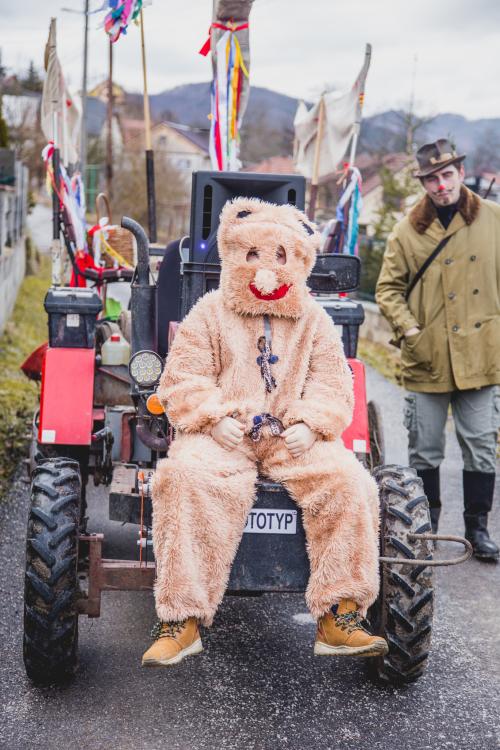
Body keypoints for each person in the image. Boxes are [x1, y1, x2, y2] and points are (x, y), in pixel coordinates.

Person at [142, 197, 388, 667]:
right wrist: (213, 418)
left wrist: (313, 426)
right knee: (183, 477)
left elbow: (333, 384)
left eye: (281, 257)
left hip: (289, 435)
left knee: (351, 482)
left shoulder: (314, 320)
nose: (267, 270)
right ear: (234, 255)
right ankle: (182, 619)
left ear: (300, 262)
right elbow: (183, 378)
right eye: (254, 255)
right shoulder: (210, 312)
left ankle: (340, 615)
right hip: (223, 434)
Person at [376, 138, 500, 561]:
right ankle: (425, 532)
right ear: (424, 183)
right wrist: (410, 331)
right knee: (425, 448)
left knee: (481, 444)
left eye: (447, 175)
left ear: (461, 174)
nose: (441, 185)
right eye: (432, 178)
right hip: (428, 356)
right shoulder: (408, 230)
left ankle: (477, 530)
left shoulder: (493, 219)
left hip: (482, 355)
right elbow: (388, 289)